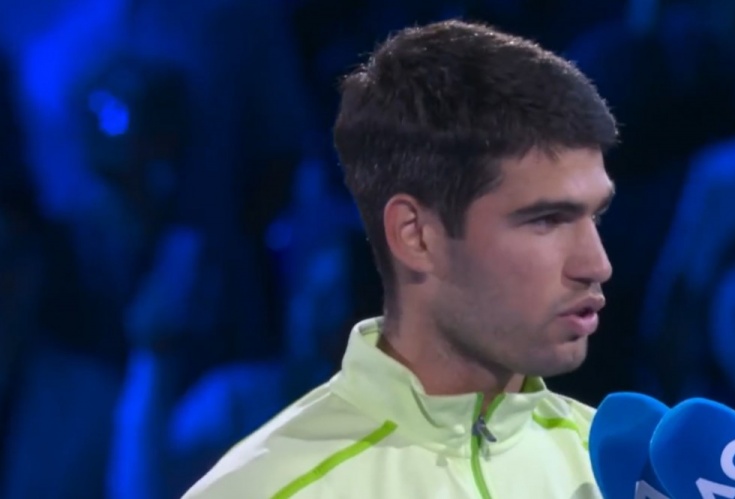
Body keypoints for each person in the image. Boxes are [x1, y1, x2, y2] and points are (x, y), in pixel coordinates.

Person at [183, 19, 618, 498]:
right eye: (547, 220)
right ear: (415, 235)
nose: (597, 265)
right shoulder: (268, 489)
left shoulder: (620, 473)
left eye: (595, 217)